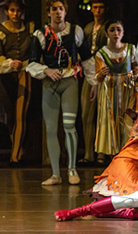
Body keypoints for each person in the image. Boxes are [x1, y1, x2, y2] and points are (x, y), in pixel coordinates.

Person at [26, 0, 95, 185]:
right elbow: (31, 62)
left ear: (65, 12)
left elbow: (88, 58)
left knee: (69, 126)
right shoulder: (40, 34)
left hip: (69, 81)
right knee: (50, 129)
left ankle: (72, 169)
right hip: (49, 84)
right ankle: (55, 173)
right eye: (54, 9)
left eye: (61, 9)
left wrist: (93, 82)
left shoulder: (75, 31)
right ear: (49, 13)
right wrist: (46, 70)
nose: (58, 12)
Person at [94, 19, 137, 162]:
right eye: (112, 30)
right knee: (111, 123)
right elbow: (97, 77)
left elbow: (137, 69)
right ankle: (114, 158)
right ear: (106, 33)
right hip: (110, 91)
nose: (116, 33)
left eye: (118, 29)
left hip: (128, 91)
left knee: (127, 123)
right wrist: (101, 73)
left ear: (123, 32)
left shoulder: (130, 49)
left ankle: (127, 156)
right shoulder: (101, 53)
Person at [0, 0, 34, 166]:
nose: (15, 14)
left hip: (24, 72)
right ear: (7, 12)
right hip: (5, 76)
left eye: (18, 11)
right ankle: (17, 151)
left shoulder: (30, 29)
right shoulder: (1, 30)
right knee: (10, 116)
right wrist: (8, 63)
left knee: (21, 114)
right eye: (12, 10)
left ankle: (15, 157)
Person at [79, 0, 108, 166]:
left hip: (104, 73)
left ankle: (102, 154)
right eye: (95, 7)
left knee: (102, 115)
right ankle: (89, 153)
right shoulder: (88, 28)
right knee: (86, 114)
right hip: (89, 73)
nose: (98, 10)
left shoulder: (107, 26)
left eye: (101, 7)